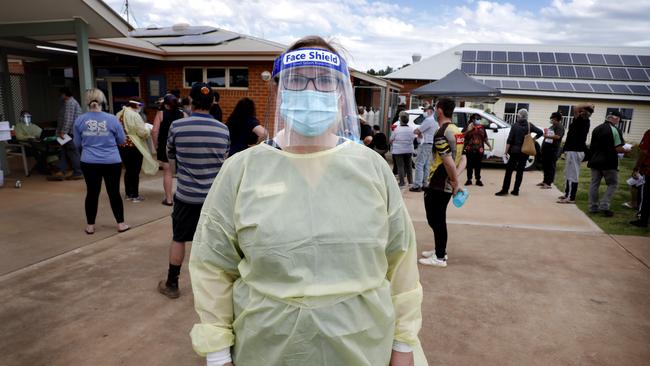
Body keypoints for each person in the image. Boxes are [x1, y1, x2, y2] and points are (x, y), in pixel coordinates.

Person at [188, 36, 427, 366]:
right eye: (297, 79)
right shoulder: (241, 170)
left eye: (325, 80)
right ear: (279, 90)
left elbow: (401, 261)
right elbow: (212, 265)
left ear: (343, 96)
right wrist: (216, 353)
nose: (311, 90)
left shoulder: (372, 168)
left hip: (365, 347)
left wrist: (403, 346)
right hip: (267, 348)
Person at [157, 82, 230, 299]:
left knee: (179, 238)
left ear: (191, 101)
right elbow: (225, 159)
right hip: (213, 199)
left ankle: (172, 284)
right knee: (214, 244)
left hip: (186, 196)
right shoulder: (223, 129)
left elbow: (170, 154)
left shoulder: (178, 126)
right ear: (212, 102)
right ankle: (215, 290)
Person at [73, 89, 129, 235]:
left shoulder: (80, 120)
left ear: (87, 102)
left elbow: (77, 143)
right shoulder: (112, 119)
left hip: (89, 161)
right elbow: (122, 140)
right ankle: (121, 224)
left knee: (92, 193)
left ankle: (90, 226)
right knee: (114, 192)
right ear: (102, 101)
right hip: (111, 161)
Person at [419, 97, 466, 268]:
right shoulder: (457, 131)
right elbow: (463, 159)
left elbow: (448, 161)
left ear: (439, 110)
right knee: (438, 218)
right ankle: (440, 250)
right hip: (445, 180)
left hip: (439, 182)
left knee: (435, 219)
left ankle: (440, 257)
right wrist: (455, 178)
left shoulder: (441, 133)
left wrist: (454, 182)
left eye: (435, 107)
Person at [587, 110, 630, 217]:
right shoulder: (615, 130)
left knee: (594, 184)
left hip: (595, 160)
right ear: (614, 118)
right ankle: (604, 206)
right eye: (619, 119)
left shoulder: (596, 129)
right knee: (613, 184)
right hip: (609, 161)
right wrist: (627, 150)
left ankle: (593, 207)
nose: (619, 121)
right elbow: (619, 148)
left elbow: (592, 147)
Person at [116, 99, 158, 202]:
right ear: (136, 105)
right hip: (134, 145)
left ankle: (128, 194)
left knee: (128, 170)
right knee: (135, 171)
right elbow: (142, 132)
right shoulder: (134, 115)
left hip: (122, 145)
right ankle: (135, 195)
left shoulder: (119, 113)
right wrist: (148, 129)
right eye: (140, 105)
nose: (141, 107)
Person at [495, 109, 542, 196]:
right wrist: (533, 139)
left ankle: (505, 190)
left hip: (514, 152)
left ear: (519, 116)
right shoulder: (529, 125)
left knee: (509, 171)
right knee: (520, 172)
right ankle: (516, 190)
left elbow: (509, 140)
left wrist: (505, 152)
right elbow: (540, 132)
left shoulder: (515, 125)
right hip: (524, 152)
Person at [152, 94, 186, 206]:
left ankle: (169, 199)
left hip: (164, 146)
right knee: (183, 173)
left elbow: (154, 131)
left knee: (167, 172)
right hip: (180, 147)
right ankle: (182, 198)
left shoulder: (160, 114)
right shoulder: (183, 114)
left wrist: (156, 145)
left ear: (165, 104)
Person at [558, 104, 593, 204]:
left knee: (573, 175)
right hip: (572, 150)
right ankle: (567, 194)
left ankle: (571, 197)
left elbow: (575, 108)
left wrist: (587, 105)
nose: (579, 112)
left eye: (581, 111)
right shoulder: (580, 120)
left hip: (576, 151)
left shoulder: (583, 121)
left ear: (584, 113)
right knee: (568, 173)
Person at [50, 87, 83, 180]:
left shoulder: (69, 103)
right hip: (69, 132)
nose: (60, 96)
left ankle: (78, 172)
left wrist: (63, 132)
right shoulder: (70, 103)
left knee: (72, 152)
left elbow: (68, 119)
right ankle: (61, 170)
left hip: (69, 132)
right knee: (64, 151)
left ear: (64, 94)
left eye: (60, 94)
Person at [410, 105, 438, 192]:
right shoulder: (434, 121)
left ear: (430, 111)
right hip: (430, 144)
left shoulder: (428, 120)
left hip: (424, 143)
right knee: (426, 165)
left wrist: (418, 132)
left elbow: (417, 131)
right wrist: (419, 132)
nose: (424, 112)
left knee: (419, 164)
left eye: (425, 110)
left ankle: (417, 185)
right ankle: (424, 183)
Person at [462, 113, 491, 187]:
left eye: (479, 119)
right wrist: (469, 130)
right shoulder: (468, 127)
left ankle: (478, 180)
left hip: (479, 149)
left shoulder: (482, 128)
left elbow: (485, 138)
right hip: (470, 149)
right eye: (477, 119)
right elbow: (462, 136)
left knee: (478, 165)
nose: (478, 120)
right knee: (469, 165)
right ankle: (469, 179)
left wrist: (489, 145)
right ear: (472, 119)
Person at [538, 112, 565, 189]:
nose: (551, 119)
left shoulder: (559, 126)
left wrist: (547, 136)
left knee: (551, 166)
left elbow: (557, 136)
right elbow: (547, 137)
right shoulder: (552, 126)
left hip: (553, 149)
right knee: (545, 165)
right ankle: (544, 181)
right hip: (546, 148)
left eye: (552, 118)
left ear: (556, 118)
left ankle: (549, 183)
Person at [630, 128, 650, 228]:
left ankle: (643, 219)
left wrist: (637, 167)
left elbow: (644, 152)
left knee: (645, 197)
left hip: (648, 169)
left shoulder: (649, 133)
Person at [390, 111, 415, 187]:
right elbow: (413, 138)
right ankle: (410, 182)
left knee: (400, 166)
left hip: (398, 150)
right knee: (409, 166)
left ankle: (402, 182)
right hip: (408, 150)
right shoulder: (411, 129)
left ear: (400, 120)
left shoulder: (397, 129)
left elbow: (391, 139)